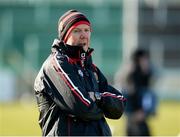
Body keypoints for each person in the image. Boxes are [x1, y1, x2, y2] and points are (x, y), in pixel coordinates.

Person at [34, 9, 127, 136]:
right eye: (76, 31)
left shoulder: (90, 68)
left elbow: (120, 105)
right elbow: (82, 107)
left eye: (86, 30)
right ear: (65, 36)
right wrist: (103, 106)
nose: (83, 35)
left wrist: (97, 97)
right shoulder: (55, 65)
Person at [115, 48, 157, 136]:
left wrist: (146, 111)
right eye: (144, 59)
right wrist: (132, 114)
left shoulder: (146, 75)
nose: (147, 62)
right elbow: (124, 96)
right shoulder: (130, 75)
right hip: (133, 119)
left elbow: (149, 94)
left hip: (141, 118)